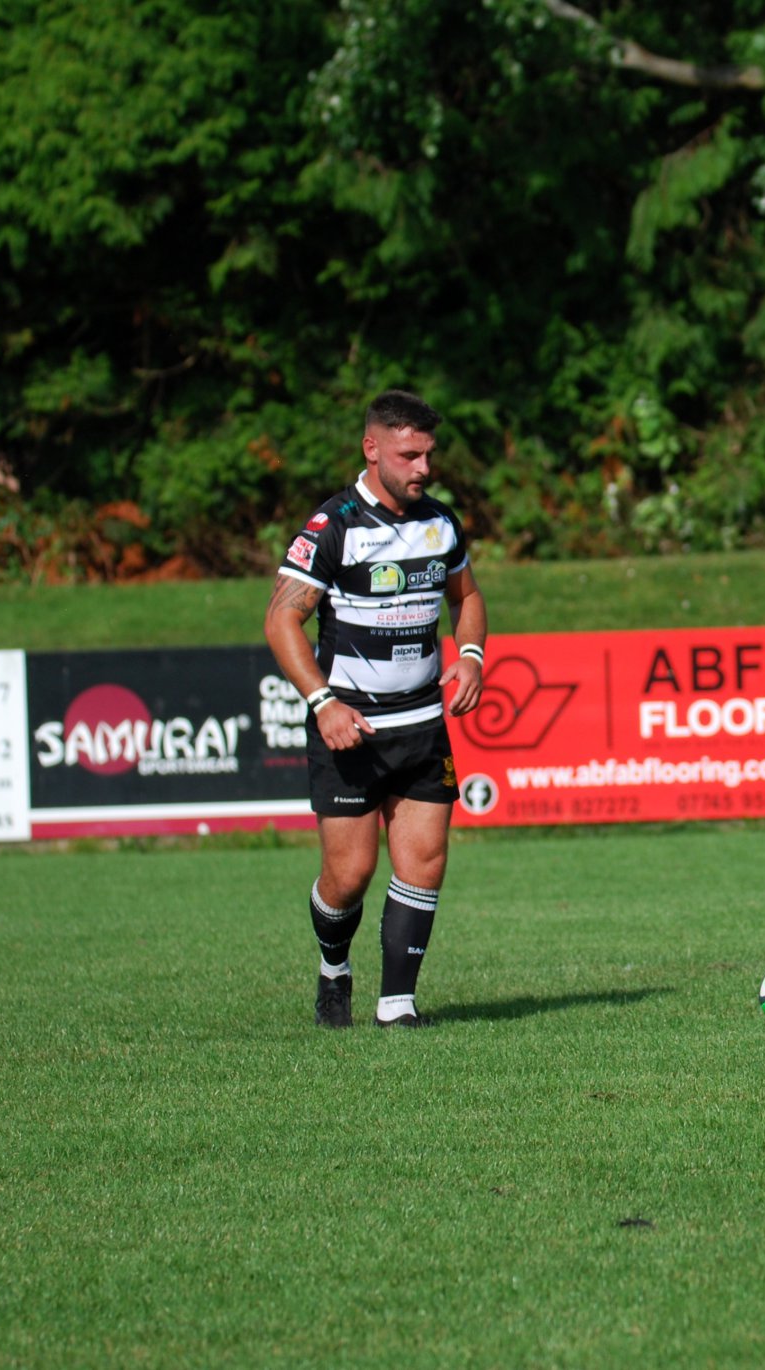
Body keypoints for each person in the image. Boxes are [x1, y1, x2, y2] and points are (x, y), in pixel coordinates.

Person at [263, 389, 488, 1028]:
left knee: (425, 861)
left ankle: (397, 1005)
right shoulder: (331, 527)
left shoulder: (440, 523)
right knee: (349, 875)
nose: (423, 468)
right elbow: (281, 621)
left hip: (421, 725)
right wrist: (322, 703)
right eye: (408, 455)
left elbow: (467, 596)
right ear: (372, 448)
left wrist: (471, 654)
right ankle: (334, 967)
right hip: (352, 731)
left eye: (429, 454)